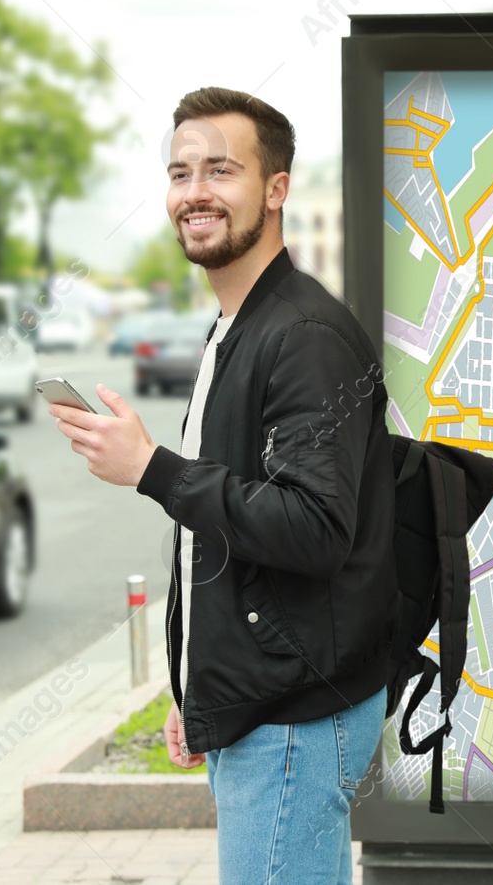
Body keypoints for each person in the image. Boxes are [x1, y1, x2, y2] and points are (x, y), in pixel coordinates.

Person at [48, 86, 396, 884]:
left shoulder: (301, 337)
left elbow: (313, 527)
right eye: (179, 173)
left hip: (295, 717)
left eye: (220, 170)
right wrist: (199, 679)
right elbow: (230, 534)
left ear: (275, 189)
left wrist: (150, 469)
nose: (194, 192)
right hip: (267, 704)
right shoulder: (235, 327)